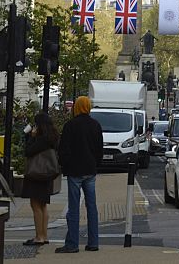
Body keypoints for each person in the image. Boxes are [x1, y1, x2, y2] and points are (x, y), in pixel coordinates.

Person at [56, 96, 102, 253]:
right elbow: (99, 150)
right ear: (88, 107)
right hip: (90, 170)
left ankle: (72, 244)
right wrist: (95, 164)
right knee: (92, 207)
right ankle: (93, 242)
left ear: (76, 107)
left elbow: (63, 149)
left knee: (74, 208)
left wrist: (65, 165)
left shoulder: (70, 125)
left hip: (75, 170)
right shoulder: (95, 125)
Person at [23, 113, 60, 246]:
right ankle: (44, 235)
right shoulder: (53, 137)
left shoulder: (41, 139)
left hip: (36, 175)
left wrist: (30, 137)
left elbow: (28, 151)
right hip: (47, 175)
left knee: (35, 205)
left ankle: (39, 236)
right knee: (43, 205)